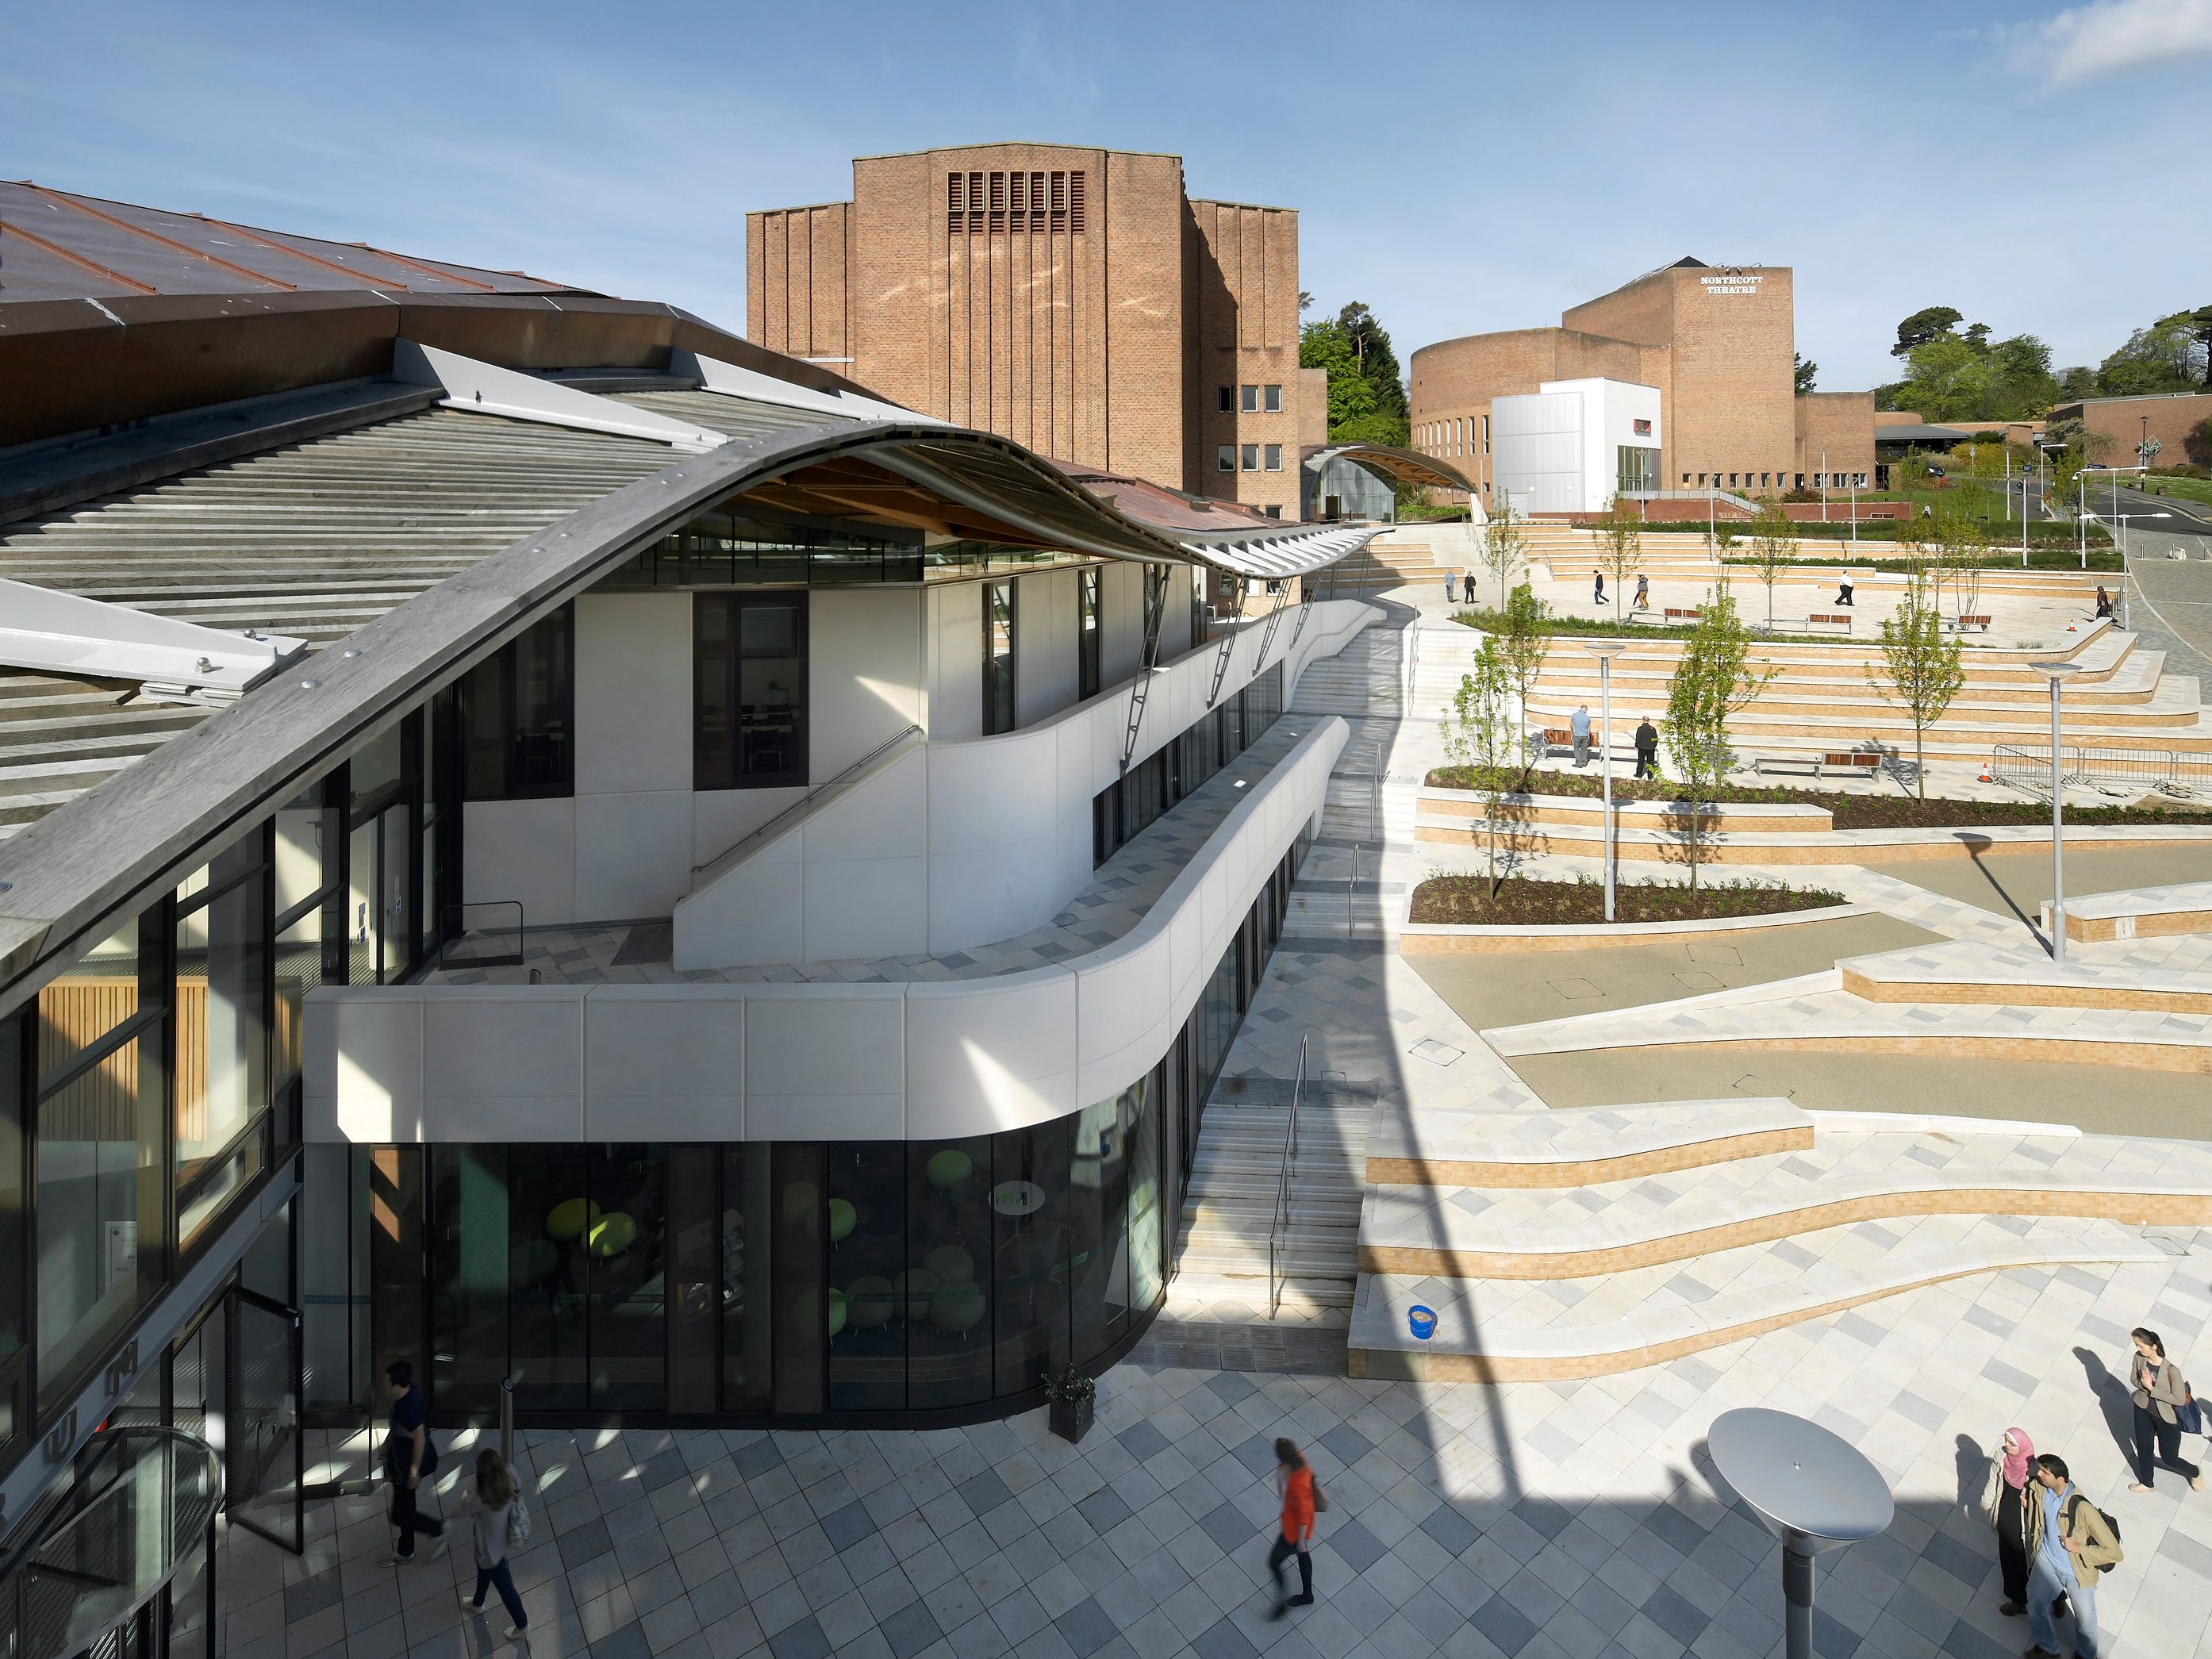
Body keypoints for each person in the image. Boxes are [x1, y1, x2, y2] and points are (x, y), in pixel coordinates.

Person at [2023, 1453, 2120, 1659]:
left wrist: (2079, 1549)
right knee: (2035, 1602)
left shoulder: (2082, 1508)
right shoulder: (2041, 1488)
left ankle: (2086, 1656)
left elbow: (2115, 1552)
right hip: (2047, 1561)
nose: (2039, 1475)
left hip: (2076, 1572)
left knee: (2086, 1624)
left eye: (2045, 1473)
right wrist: (2028, 1504)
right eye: (2040, 1470)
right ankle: (2047, 1646)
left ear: (2061, 1479)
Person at [457, 1449, 531, 1639]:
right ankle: (478, 1602)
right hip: (499, 1543)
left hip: (489, 1552)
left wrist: (468, 1489)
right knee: (484, 1574)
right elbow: (519, 1485)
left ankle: (522, 1625)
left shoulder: (480, 1498)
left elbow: (461, 1511)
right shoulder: (510, 1476)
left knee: (506, 1590)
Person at [382, 1360, 446, 1564]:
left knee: (400, 1515)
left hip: (406, 1467)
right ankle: (405, 1550)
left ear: (396, 1386)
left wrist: (413, 1472)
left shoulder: (406, 1407)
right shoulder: (410, 1393)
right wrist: (387, 1445)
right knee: (405, 1509)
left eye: (387, 1382)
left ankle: (439, 1530)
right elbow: (403, 1430)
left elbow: (419, 1438)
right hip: (401, 1464)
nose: (384, 1385)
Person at [2127, 1327, 2202, 1494]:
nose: (2138, 1349)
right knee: (2144, 1447)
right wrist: (2142, 1384)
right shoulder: (2139, 1358)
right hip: (2142, 1408)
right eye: (2136, 1345)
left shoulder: (2172, 1371)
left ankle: (2195, 1472)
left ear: (2153, 1346)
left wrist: (2151, 1388)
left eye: (2140, 1346)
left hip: (2165, 1418)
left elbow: (2179, 1398)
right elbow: (2133, 1378)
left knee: (2169, 1458)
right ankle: (2147, 1483)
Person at [1979, 1427, 2036, 1617]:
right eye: (2006, 1441)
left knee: (2032, 1560)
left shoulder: (2034, 1469)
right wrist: (1986, 1502)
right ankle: (2018, 1599)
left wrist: (2029, 1503)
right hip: (2007, 1514)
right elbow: (1993, 1481)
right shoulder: (2001, 1457)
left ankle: (2056, 1597)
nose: (2007, 1446)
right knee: (2010, 1557)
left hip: (2026, 1521)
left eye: (2012, 1443)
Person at [1269, 1438, 1316, 1617]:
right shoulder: (1297, 1459)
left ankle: (1282, 1603)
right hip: (1292, 1525)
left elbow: (1303, 1517)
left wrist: (1301, 1541)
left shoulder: (1298, 1486)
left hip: (1293, 1532)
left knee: (1273, 1563)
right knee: (1301, 1554)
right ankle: (1307, 1595)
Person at [1634, 716, 1660, 781]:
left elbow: (1638, 738)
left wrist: (1636, 745)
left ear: (1643, 720)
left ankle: (1639, 774)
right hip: (1651, 748)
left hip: (1642, 748)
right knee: (1651, 762)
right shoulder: (1652, 729)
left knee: (1641, 761)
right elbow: (1655, 738)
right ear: (1649, 721)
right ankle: (1650, 776)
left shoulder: (1640, 729)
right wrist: (1654, 746)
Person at [1571, 704, 1592, 768]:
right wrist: (1588, 736)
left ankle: (1579, 763)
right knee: (1584, 749)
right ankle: (1584, 762)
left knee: (1576, 749)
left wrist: (1572, 731)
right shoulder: (1588, 718)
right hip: (1585, 735)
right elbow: (1589, 729)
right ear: (1586, 710)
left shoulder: (1574, 715)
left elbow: (1571, 725)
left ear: (1581, 708)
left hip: (1577, 735)